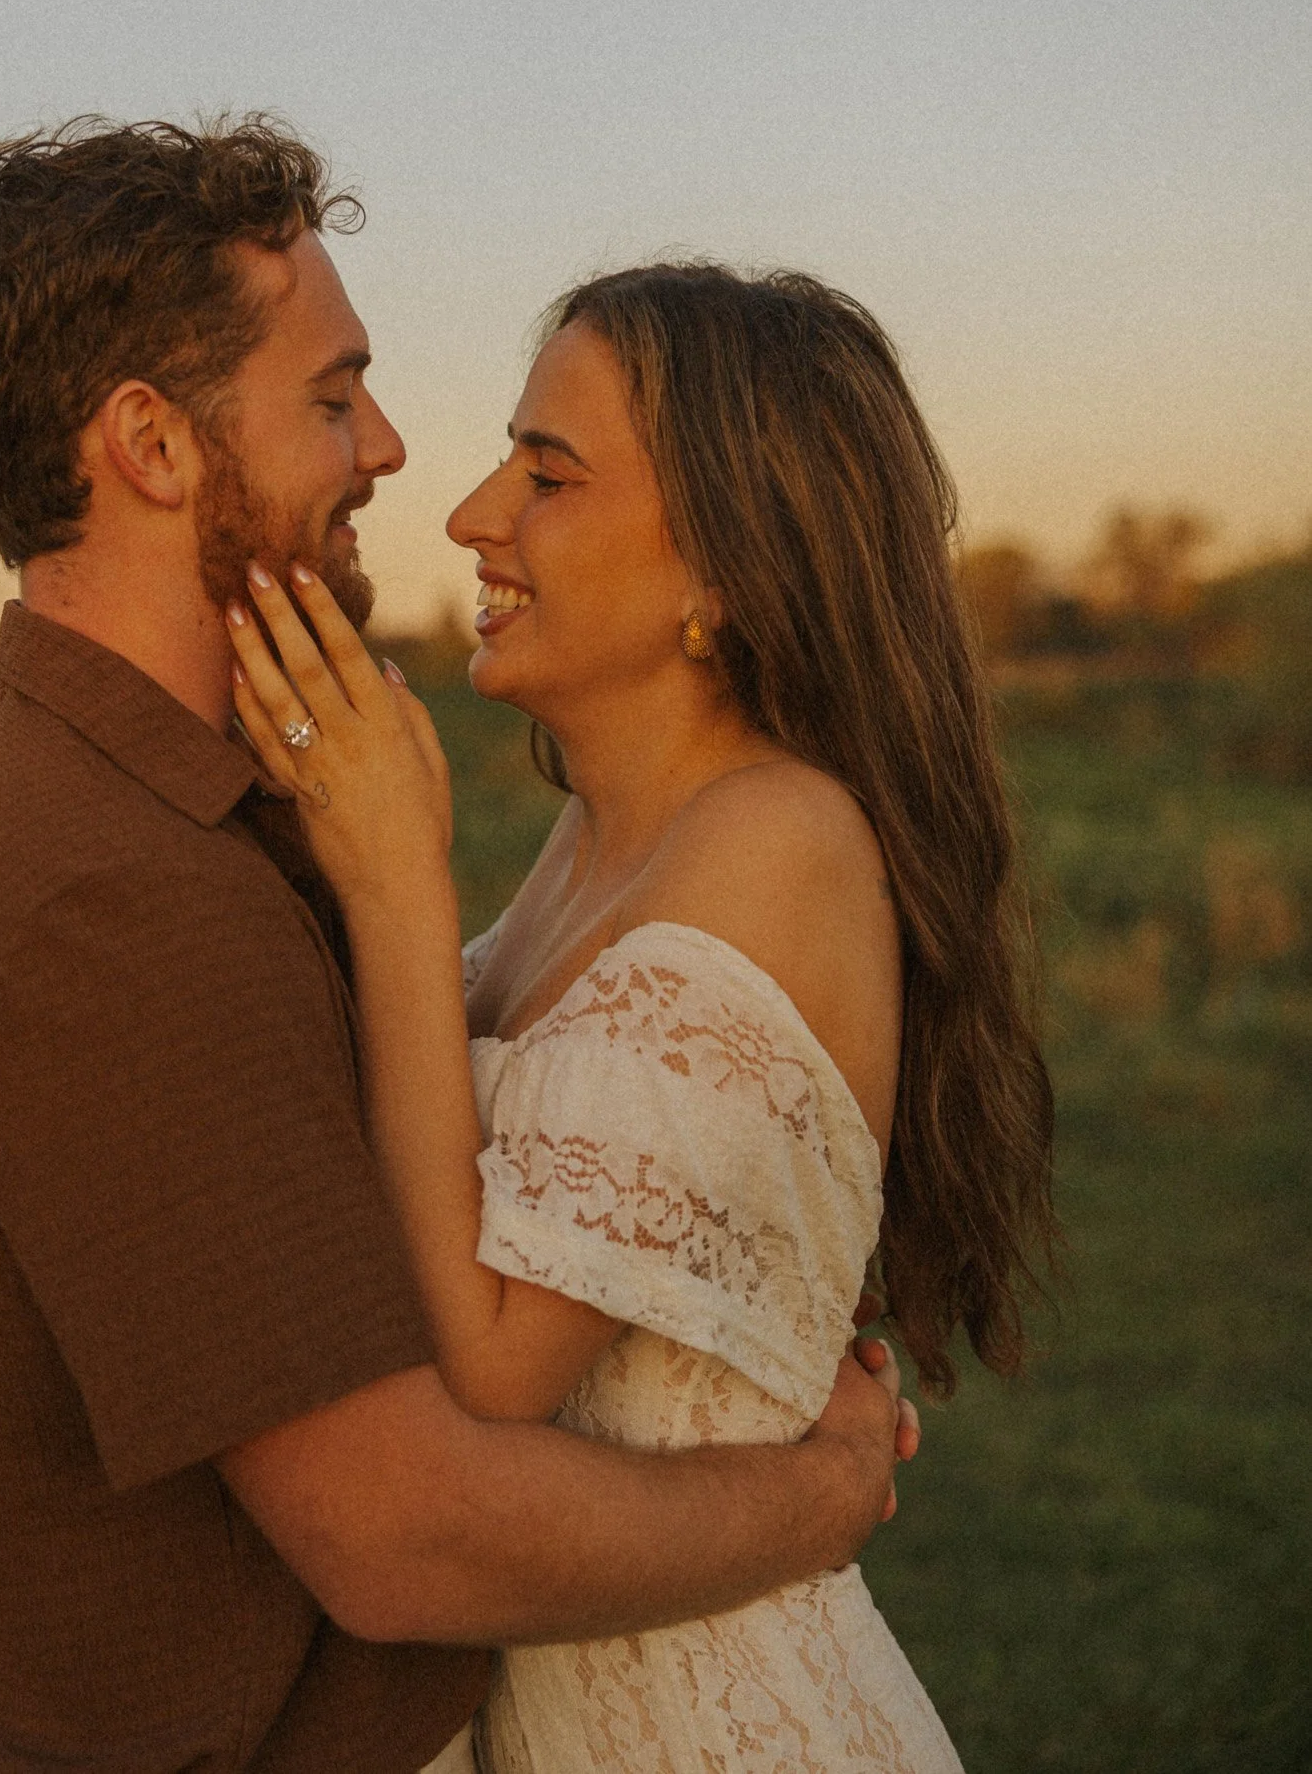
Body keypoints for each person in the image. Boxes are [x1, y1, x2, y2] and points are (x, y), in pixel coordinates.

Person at [0, 120, 918, 1774]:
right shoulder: (104, 888)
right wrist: (823, 1491)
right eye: (333, 396)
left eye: (541, 467)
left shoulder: (195, 820)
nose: (402, 457)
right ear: (151, 442)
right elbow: (403, 1529)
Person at [227, 259, 1057, 1772]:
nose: (475, 513)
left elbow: (489, 1369)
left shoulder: (776, 838)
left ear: (725, 569)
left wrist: (397, 886)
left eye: (546, 474)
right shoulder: (594, 842)